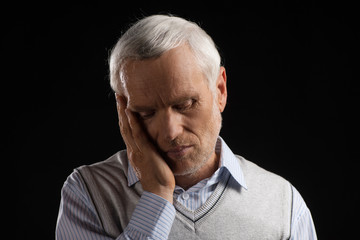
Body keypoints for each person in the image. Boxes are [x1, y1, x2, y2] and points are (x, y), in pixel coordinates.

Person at [56, 14, 317, 239]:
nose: (170, 132)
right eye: (146, 113)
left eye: (185, 104)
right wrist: (157, 196)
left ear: (220, 90)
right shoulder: (88, 193)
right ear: (123, 111)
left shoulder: (283, 204)